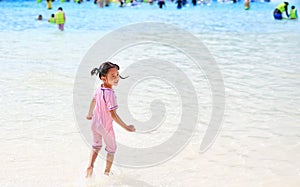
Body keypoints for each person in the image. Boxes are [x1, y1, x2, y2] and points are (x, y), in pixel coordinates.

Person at [85, 62, 136, 178]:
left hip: (95, 124)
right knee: (112, 149)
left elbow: (93, 101)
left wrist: (89, 114)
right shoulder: (110, 94)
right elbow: (113, 115)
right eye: (113, 76)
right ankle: (106, 173)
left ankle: (90, 166)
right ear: (104, 78)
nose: (117, 78)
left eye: (117, 74)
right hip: (105, 127)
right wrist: (126, 127)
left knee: (96, 146)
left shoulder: (99, 89)